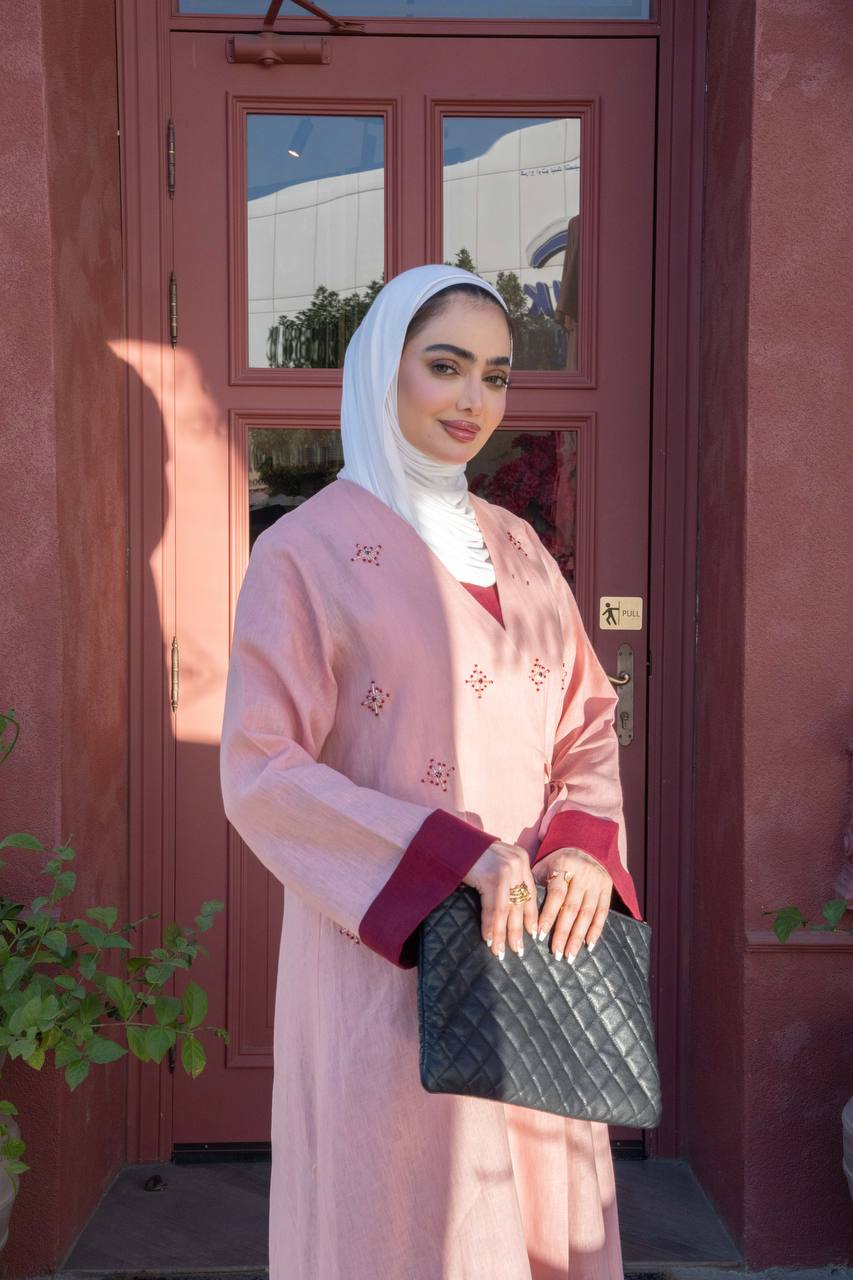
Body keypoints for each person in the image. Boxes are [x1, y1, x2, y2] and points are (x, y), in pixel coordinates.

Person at [219, 263, 643, 1280]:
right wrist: (453, 857)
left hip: (537, 950)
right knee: (404, 1218)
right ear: (383, 369)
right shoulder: (303, 554)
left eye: (494, 376)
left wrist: (584, 848)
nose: (471, 400)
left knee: (533, 1210)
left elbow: (585, 716)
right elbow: (259, 770)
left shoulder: (521, 548)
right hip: (391, 963)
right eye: (444, 366)